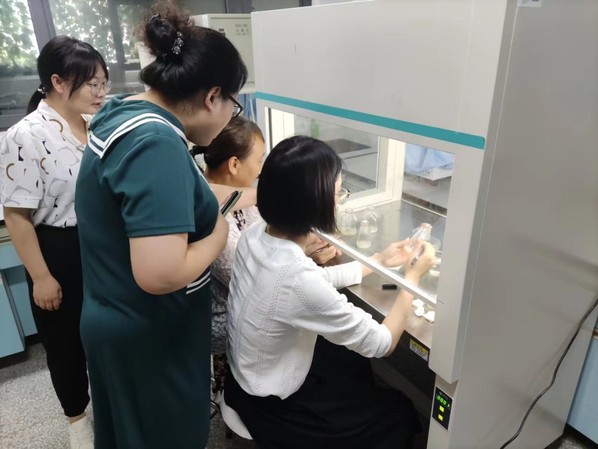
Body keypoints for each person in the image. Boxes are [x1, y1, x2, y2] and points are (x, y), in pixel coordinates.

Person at [73, 1, 248, 448]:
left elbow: (153, 200)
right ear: (212, 96)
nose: (231, 115)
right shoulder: (155, 144)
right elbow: (160, 273)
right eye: (233, 104)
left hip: (115, 317)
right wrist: (218, 234)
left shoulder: (126, 112)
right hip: (147, 335)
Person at [225, 136, 435, 449]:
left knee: (349, 361)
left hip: (243, 379)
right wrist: (411, 280)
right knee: (398, 412)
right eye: (339, 193)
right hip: (274, 409)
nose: (340, 201)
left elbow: (309, 282)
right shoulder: (297, 278)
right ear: (316, 204)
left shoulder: (256, 234)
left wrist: (378, 261)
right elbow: (382, 343)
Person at [0, 36, 109, 449]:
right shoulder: (24, 135)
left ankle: (111, 406)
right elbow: (17, 217)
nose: (101, 92)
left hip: (102, 244)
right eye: (92, 84)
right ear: (59, 82)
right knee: (65, 345)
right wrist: (41, 277)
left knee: (106, 334)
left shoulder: (95, 124)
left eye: (103, 83)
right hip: (58, 248)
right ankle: (77, 420)